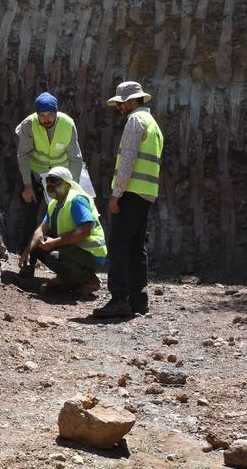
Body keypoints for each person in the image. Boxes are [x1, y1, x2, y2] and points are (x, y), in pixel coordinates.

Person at [93, 81, 163, 318]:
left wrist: (116, 193)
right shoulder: (152, 123)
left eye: (122, 103)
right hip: (145, 194)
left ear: (133, 100)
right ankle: (138, 300)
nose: (119, 107)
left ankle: (119, 298)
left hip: (131, 192)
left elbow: (128, 160)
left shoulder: (136, 121)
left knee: (120, 244)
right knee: (135, 247)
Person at [15, 92, 83, 264]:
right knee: (29, 216)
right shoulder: (29, 125)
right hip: (36, 175)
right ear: (37, 114)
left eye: (50, 115)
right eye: (42, 115)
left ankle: (58, 263)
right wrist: (28, 185)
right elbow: (23, 155)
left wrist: (72, 188)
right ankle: (26, 263)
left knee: (59, 217)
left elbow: (75, 157)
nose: (46, 119)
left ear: (56, 113)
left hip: (59, 177)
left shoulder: (67, 124)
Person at [18, 167, 106, 296]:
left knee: (54, 256)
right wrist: (27, 251)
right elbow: (41, 230)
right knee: (35, 243)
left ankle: (88, 279)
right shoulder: (54, 204)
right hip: (73, 248)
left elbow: (85, 231)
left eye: (54, 181)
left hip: (91, 254)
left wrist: (54, 243)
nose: (49, 185)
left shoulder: (76, 200)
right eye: (47, 181)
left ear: (67, 184)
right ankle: (28, 277)